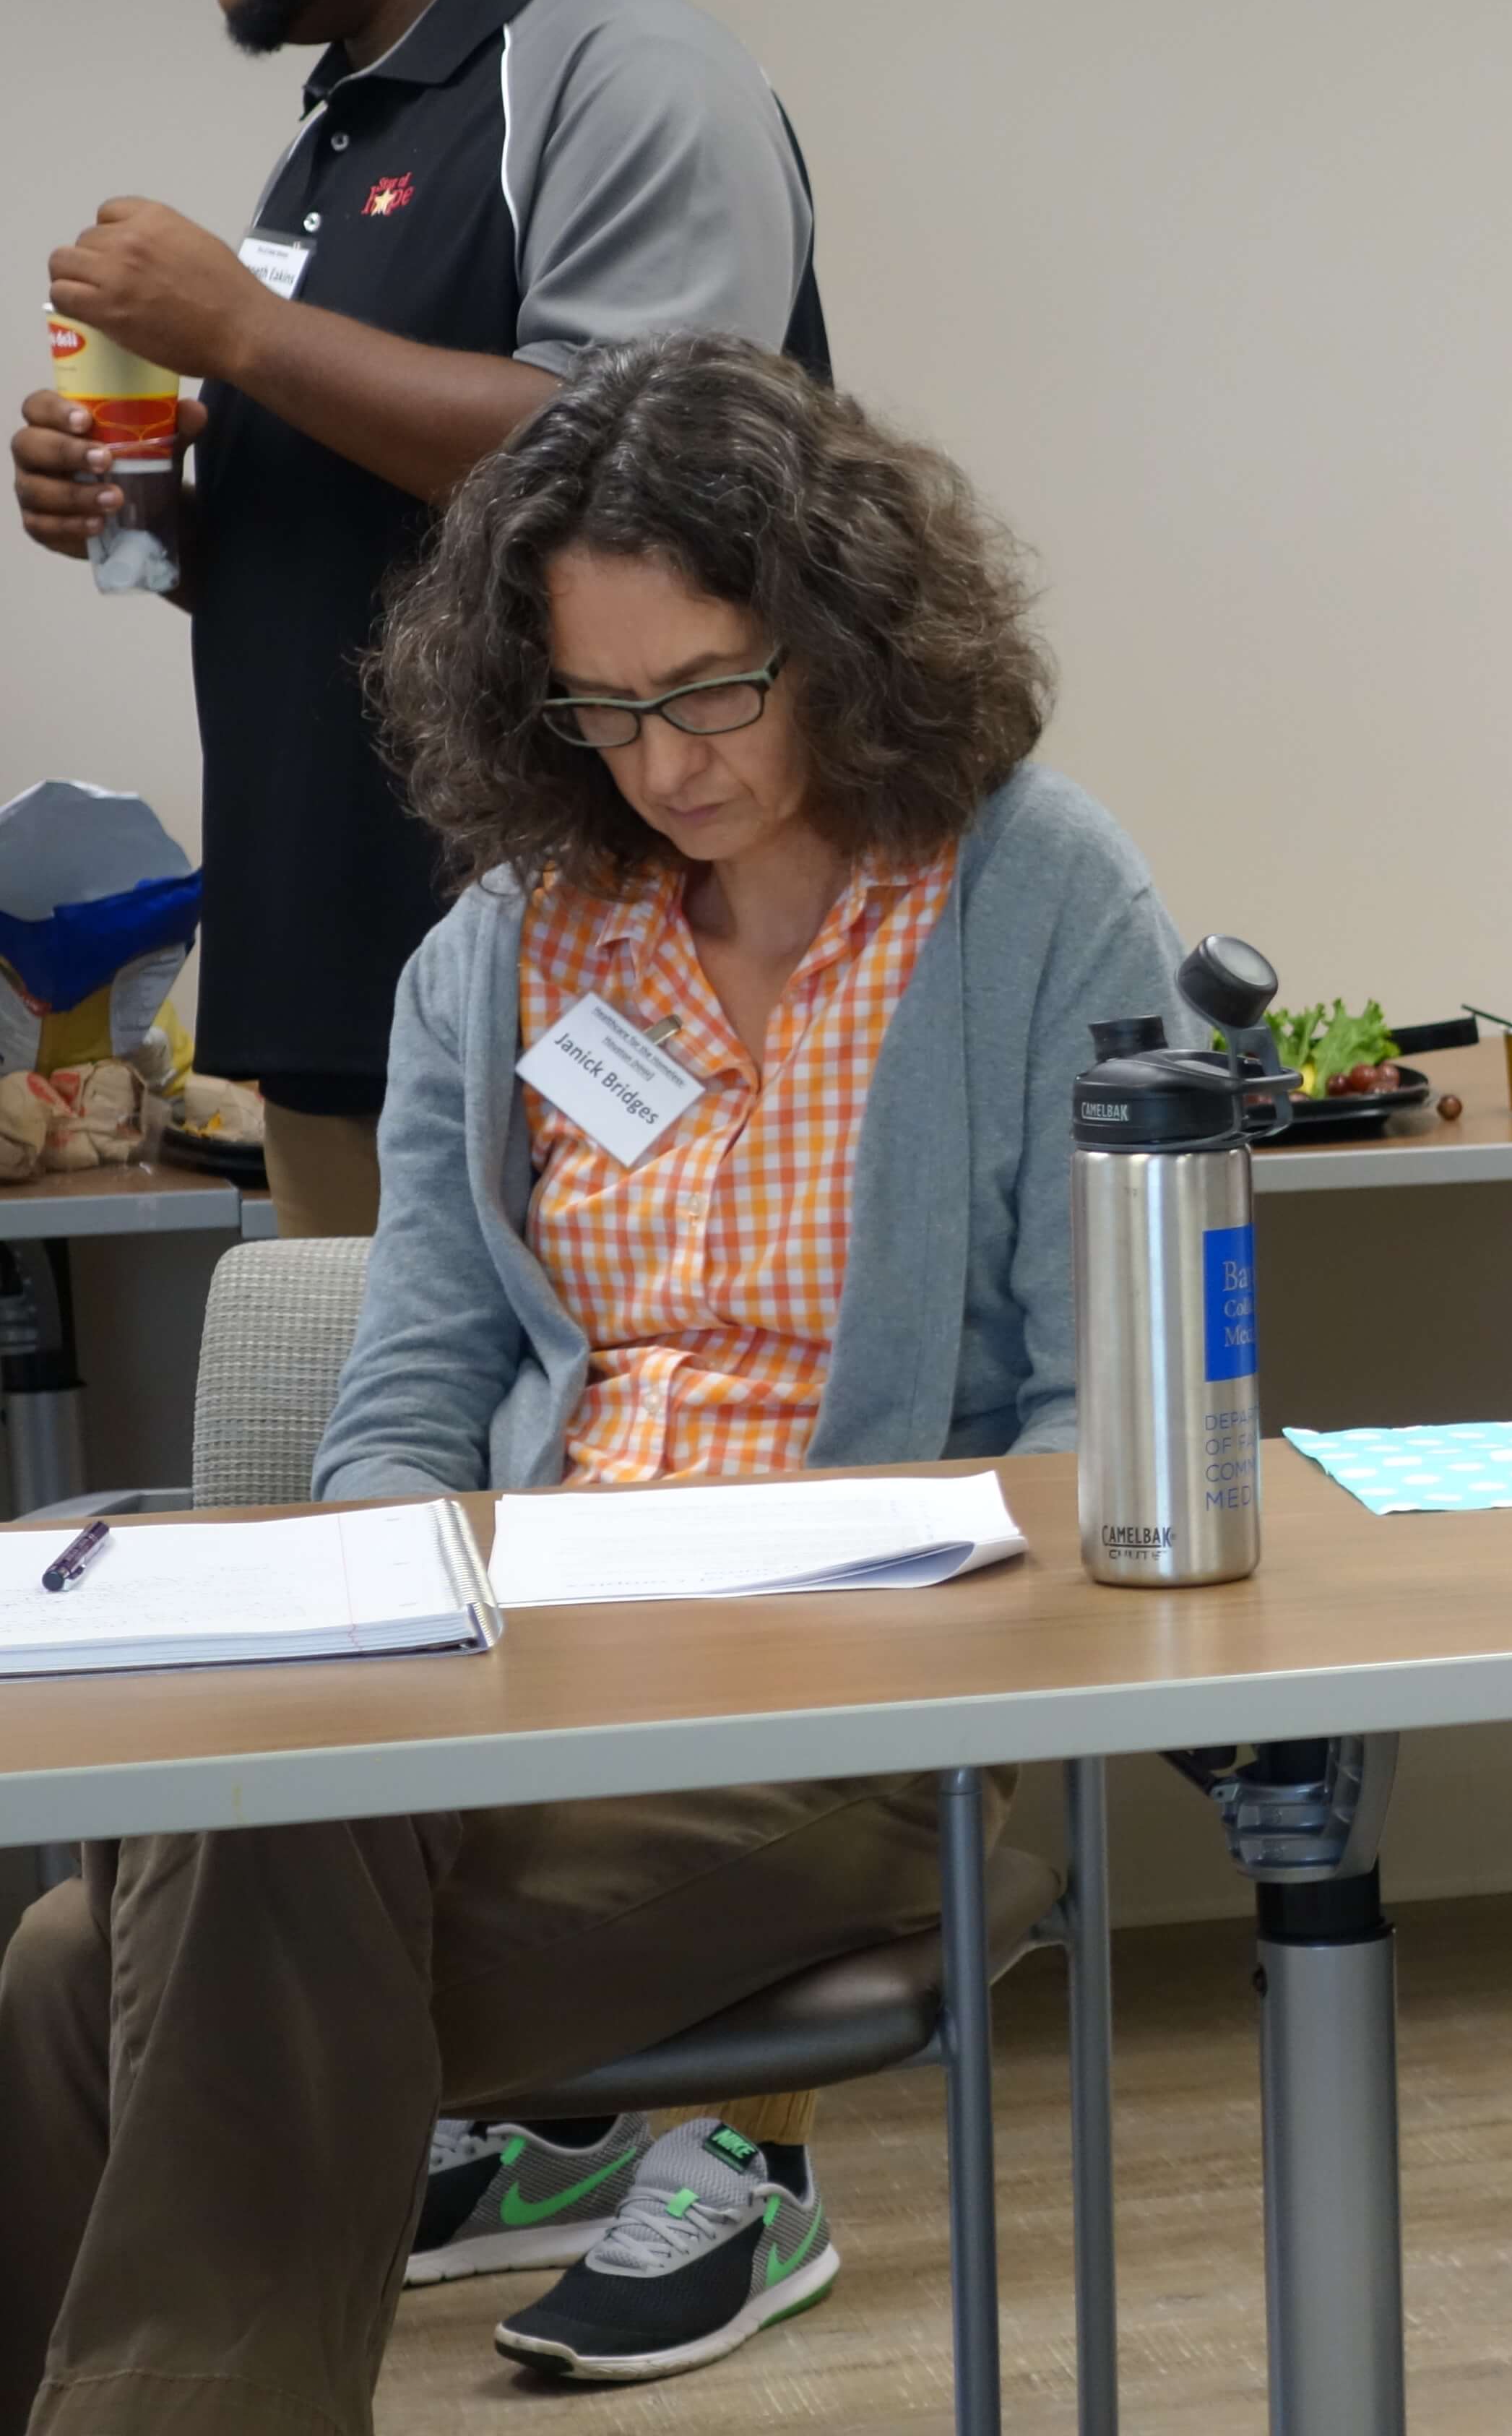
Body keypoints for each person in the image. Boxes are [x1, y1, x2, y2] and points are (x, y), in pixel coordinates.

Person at [0, 334, 1179, 2427]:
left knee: (118, 1954)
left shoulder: (1030, 895)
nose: (666, 765)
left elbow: (1113, 1415)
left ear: (842, 631)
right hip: (517, 1699)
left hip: (868, 1724)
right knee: (95, 1949)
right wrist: (363, 1606)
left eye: (712, 691)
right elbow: (416, 1382)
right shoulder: (514, 940)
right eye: (602, 709)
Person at [12, 0, 827, 1238]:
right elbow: (400, 551)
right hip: (334, 1008)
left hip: (593, 1023)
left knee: (632, 1393)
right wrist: (172, 533)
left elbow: (652, 486)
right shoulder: (344, 129)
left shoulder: (633, 71)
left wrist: (247, 333)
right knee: (364, 1399)